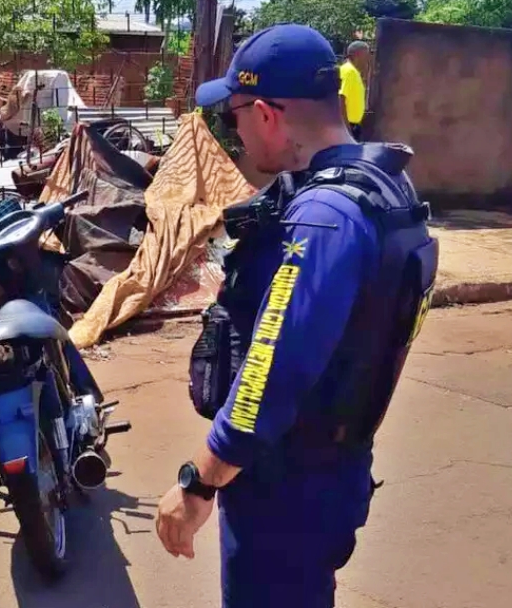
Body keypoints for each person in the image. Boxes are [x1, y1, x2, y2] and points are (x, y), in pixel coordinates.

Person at [154, 24, 439, 608]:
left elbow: (271, 368)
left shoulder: (324, 215)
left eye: (233, 116)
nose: (232, 133)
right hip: (335, 467)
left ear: (265, 113)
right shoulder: (382, 182)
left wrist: (199, 481)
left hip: (288, 486)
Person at [340, 41, 371, 140]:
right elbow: (340, 99)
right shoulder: (349, 72)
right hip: (348, 126)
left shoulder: (353, 72)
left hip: (353, 126)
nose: (368, 60)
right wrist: (347, 131)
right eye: (366, 56)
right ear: (357, 55)